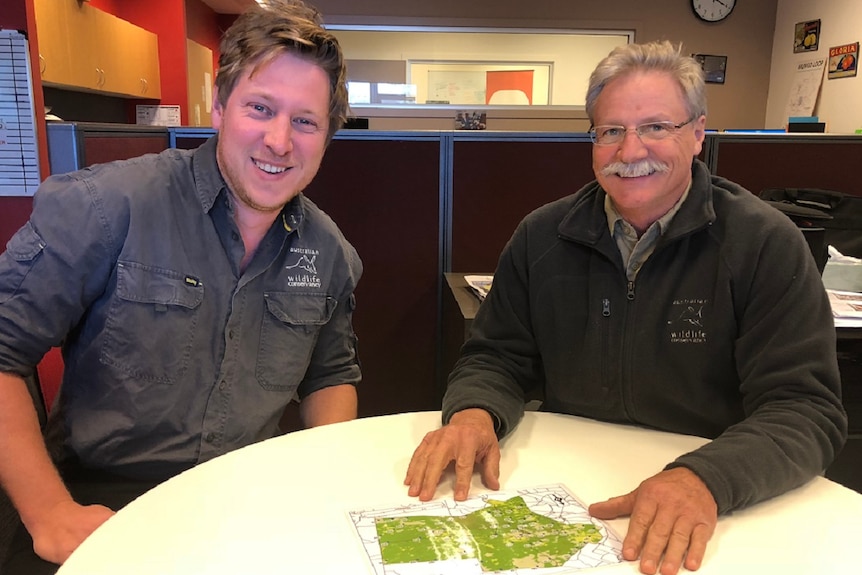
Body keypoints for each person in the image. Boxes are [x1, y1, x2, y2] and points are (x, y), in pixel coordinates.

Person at [405, 40, 847, 575]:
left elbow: (805, 411)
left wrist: (703, 478)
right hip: (570, 491)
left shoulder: (763, 243)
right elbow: (496, 357)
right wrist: (475, 413)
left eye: (656, 127)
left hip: (712, 497)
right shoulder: (543, 235)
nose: (631, 151)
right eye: (611, 130)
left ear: (698, 134)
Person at [0, 0, 361, 572]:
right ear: (219, 108)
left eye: (305, 120)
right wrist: (49, 512)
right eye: (259, 108)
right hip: (103, 502)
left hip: (243, 506)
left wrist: (326, 479)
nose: (278, 140)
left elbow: (330, 374)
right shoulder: (105, 208)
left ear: (327, 135)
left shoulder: (329, 253)